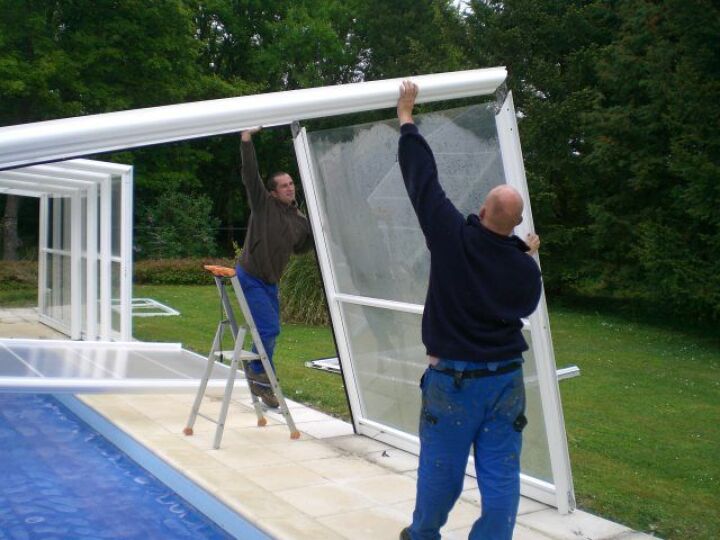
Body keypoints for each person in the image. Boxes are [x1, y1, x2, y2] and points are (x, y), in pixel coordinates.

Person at [396, 81, 542, 540]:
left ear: (482, 208)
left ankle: (423, 535)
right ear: (516, 225)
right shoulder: (524, 268)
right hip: (505, 381)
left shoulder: (452, 237)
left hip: (456, 383)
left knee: (442, 469)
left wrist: (406, 120)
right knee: (501, 473)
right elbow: (522, 302)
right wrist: (524, 255)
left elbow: (423, 182)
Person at [236, 127, 312, 407]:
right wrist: (246, 139)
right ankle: (259, 374)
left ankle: (260, 376)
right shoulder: (263, 204)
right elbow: (250, 174)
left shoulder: (299, 219)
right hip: (250, 276)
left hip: (271, 281)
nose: (290, 188)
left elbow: (301, 247)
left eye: (291, 183)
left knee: (269, 330)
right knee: (268, 330)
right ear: (272, 191)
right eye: (284, 185)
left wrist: (318, 232)